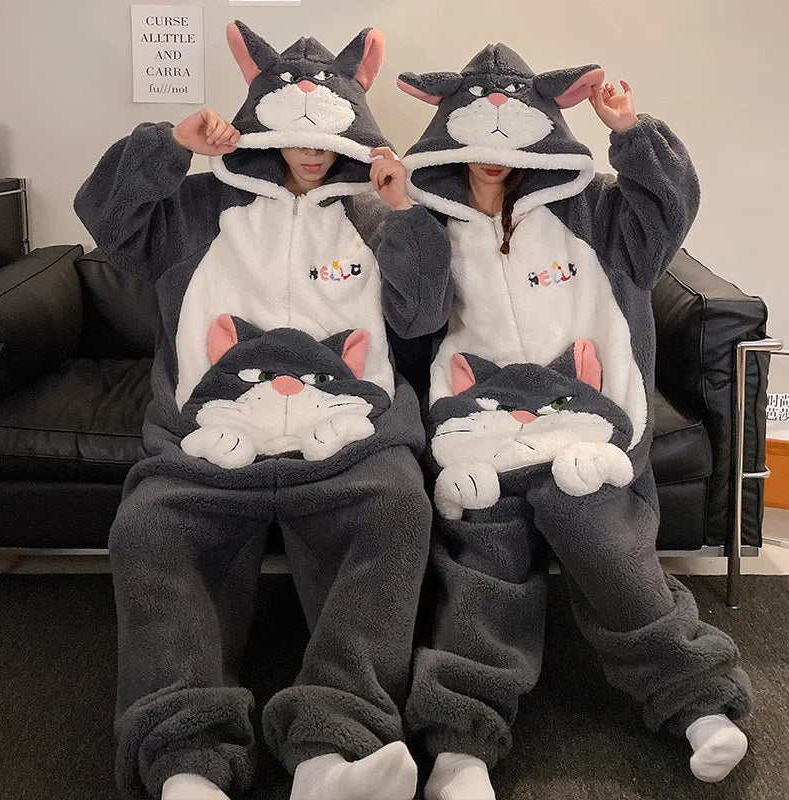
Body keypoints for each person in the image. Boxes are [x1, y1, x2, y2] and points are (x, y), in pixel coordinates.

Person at [74, 21, 451, 800]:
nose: (310, 151)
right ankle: (186, 761)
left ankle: (333, 748)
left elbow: (421, 318)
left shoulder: (373, 214)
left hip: (350, 439)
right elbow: (108, 221)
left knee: (399, 510)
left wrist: (407, 212)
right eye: (291, 133)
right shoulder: (199, 206)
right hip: (208, 439)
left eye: (325, 134)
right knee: (147, 528)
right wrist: (167, 144)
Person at [395, 43, 753, 799]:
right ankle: (461, 747)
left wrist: (631, 131)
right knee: (481, 573)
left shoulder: (595, 213)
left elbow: (669, 208)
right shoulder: (429, 222)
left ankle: (698, 704)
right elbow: (413, 319)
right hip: (481, 438)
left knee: (611, 551)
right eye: (476, 135)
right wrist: (402, 219)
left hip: (584, 433)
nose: (493, 154)